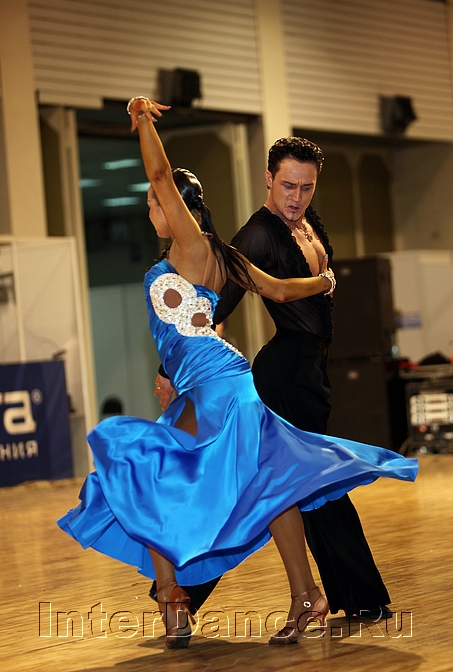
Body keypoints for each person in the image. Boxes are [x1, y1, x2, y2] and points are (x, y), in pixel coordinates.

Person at [58, 100, 417, 650]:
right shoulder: (222, 255)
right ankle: (298, 594)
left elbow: (160, 173)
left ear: (176, 206)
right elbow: (277, 289)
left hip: (218, 384)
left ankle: (176, 597)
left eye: (154, 202)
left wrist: (143, 120)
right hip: (209, 381)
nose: (151, 209)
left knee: (146, 466)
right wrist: (322, 284)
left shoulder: (190, 246)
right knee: (258, 480)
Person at [156, 136, 396, 620]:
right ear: (268, 178)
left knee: (269, 487)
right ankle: (359, 596)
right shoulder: (258, 235)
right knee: (316, 482)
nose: (296, 197)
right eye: (288, 185)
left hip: (310, 372)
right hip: (283, 375)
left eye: (307, 188)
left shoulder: (309, 223)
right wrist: (172, 369)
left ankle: (185, 594)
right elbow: (214, 302)